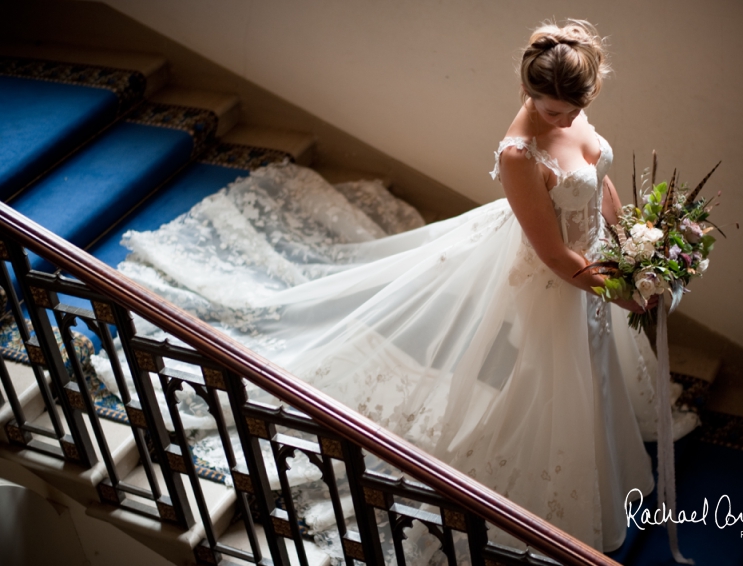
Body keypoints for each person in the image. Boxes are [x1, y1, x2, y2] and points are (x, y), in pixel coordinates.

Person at [97, 19, 698, 559]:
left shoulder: (568, 99)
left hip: (593, 266)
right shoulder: (520, 154)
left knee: (594, 367)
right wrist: (619, 289)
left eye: (570, 112)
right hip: (557, 276)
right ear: (526, 93)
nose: (562, 121)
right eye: (549, 112)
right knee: (552, 379)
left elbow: (600, 181)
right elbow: (552, 255)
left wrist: (631, 244)